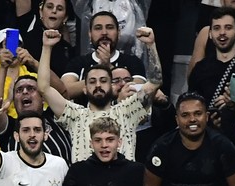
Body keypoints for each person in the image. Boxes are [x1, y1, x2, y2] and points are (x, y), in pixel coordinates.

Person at [38, 26, 162, 162]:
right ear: (84, 89)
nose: (98, 85)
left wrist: (151, 45)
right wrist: (46, 47)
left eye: (103, 81)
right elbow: (44, 88)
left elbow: (155, 81)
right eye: (92, 81)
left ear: (112, 86)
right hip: (85, 182)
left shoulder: (128, 110)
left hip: (122, 181)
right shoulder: (74, 114)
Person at [60, 10, 145, 100]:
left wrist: (108, 66)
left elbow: (138, 90)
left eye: (109, 27)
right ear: (90, 34)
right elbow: (65, 92)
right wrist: (100, 70)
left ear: (118, 33)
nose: (104, 32)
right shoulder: (77, 62)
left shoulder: (133, 62)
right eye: (98, 28)